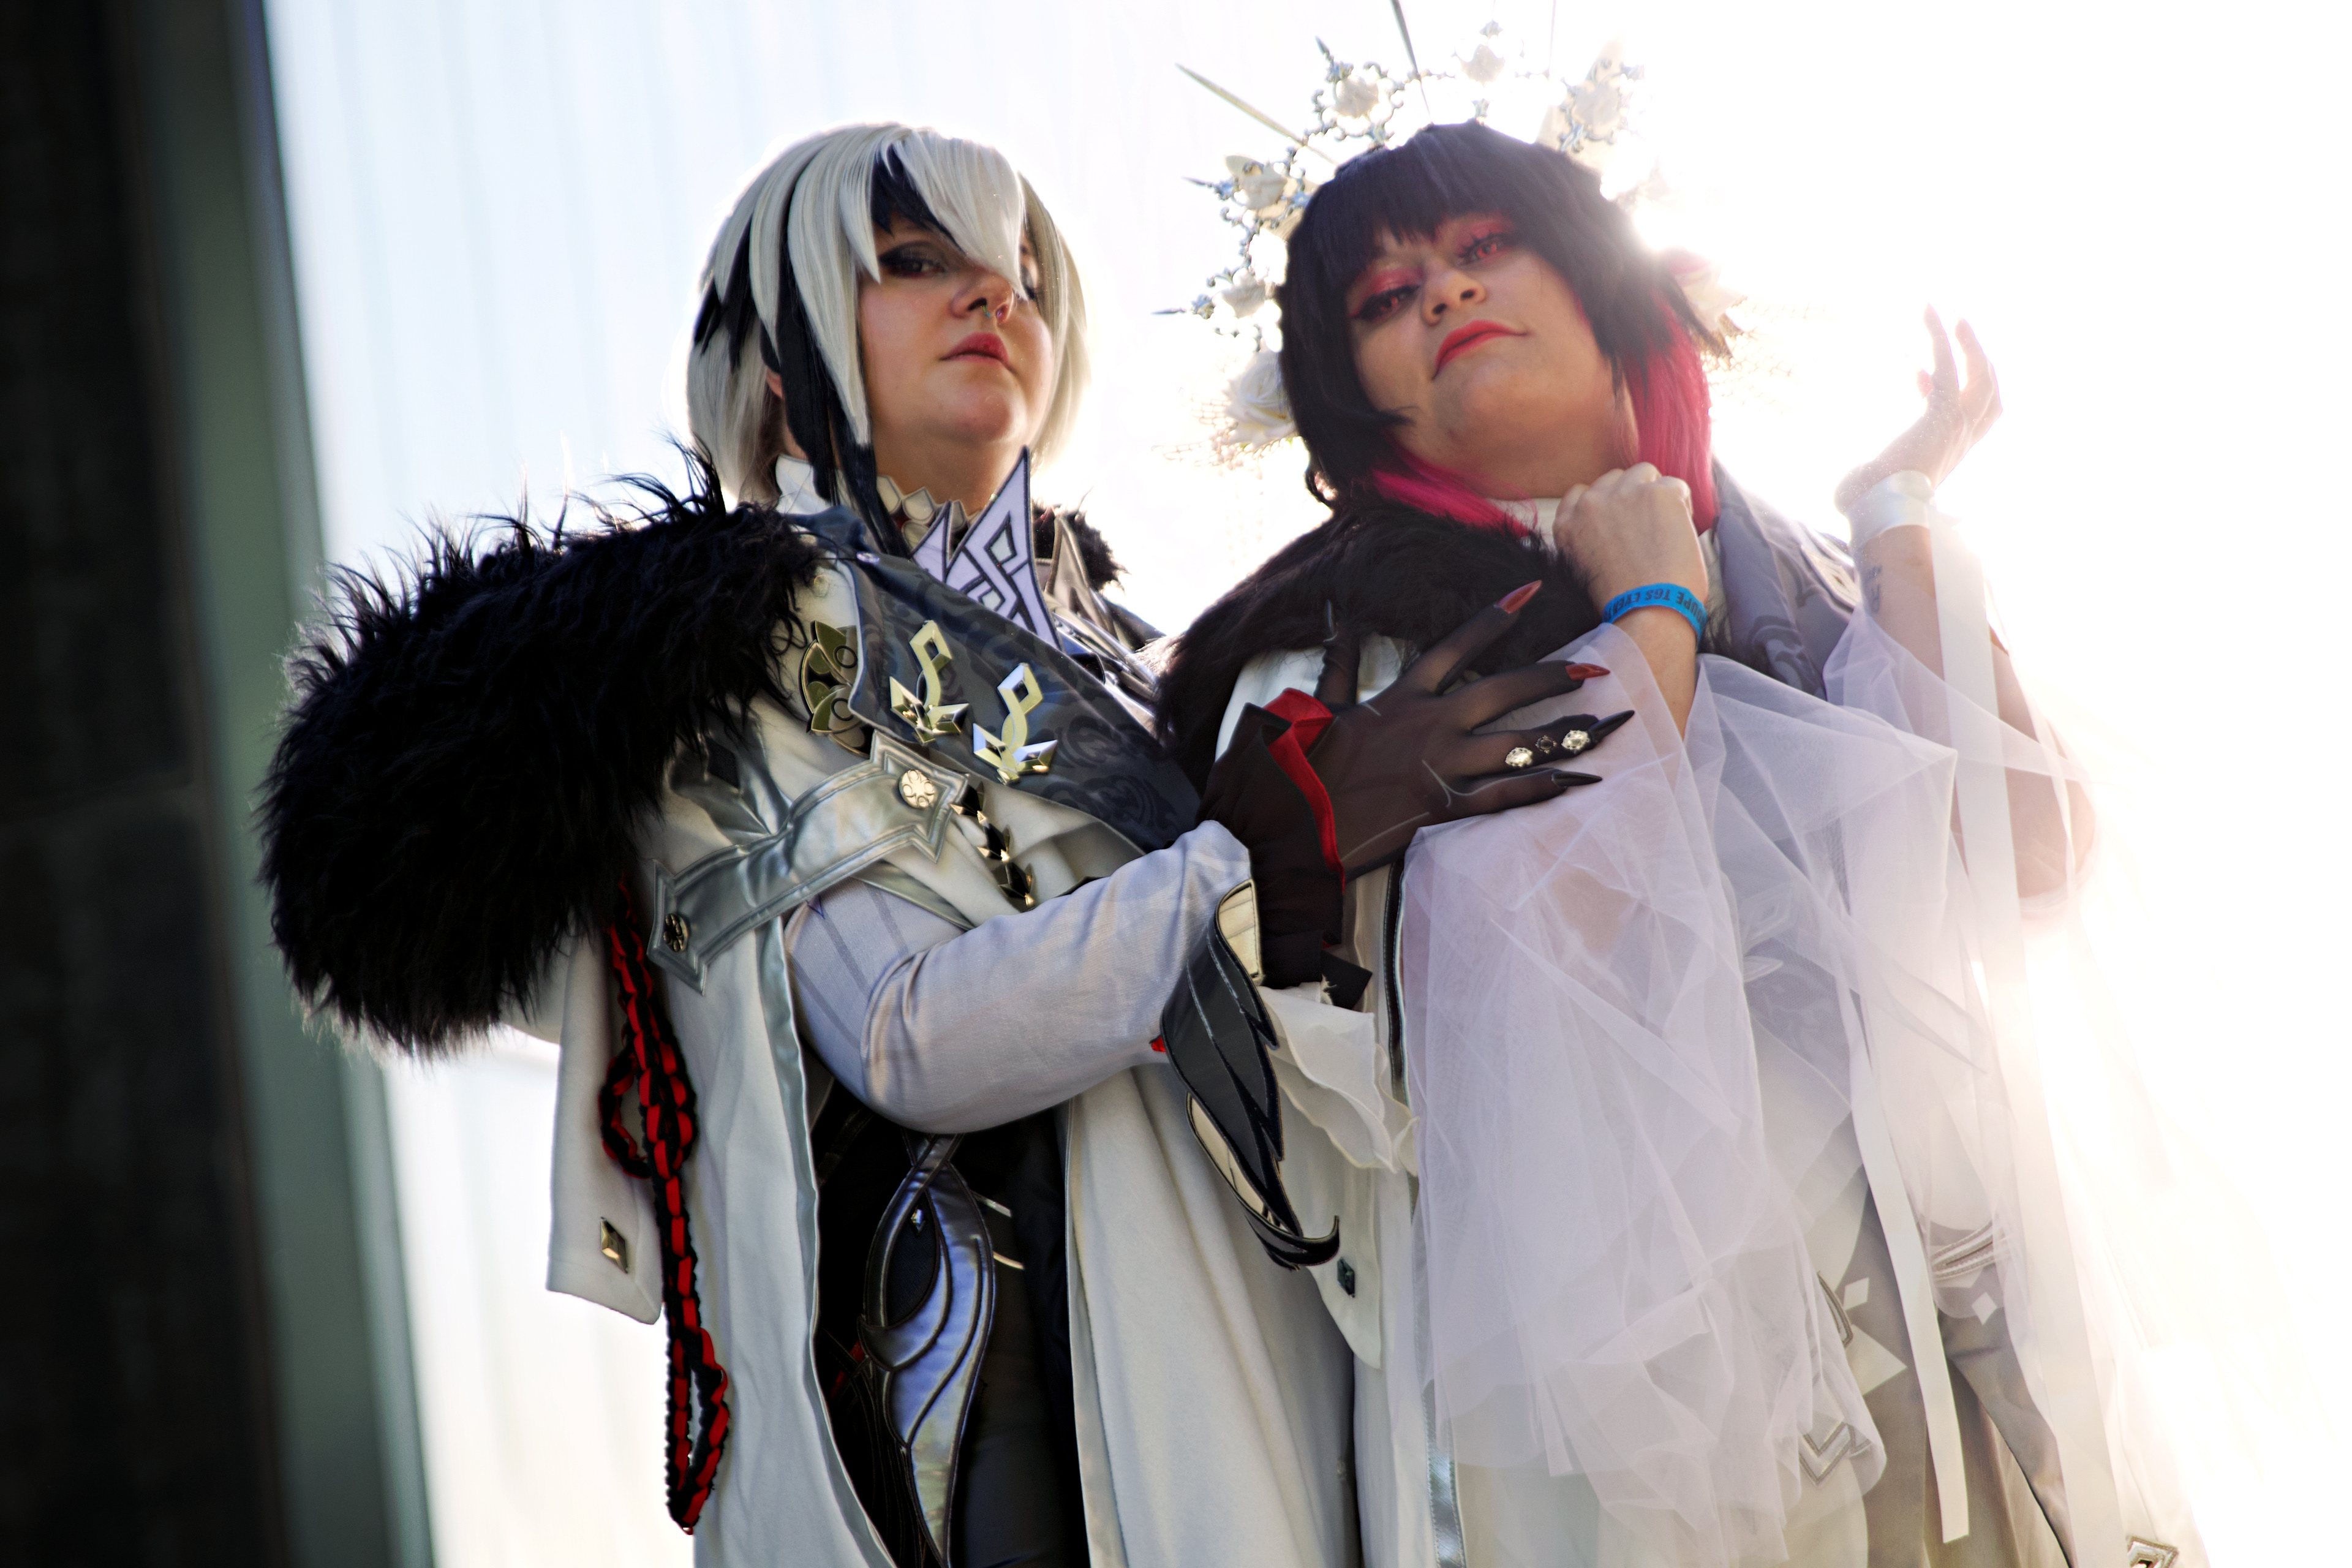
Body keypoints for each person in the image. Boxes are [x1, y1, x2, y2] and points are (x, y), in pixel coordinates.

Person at [258, 121, 1611, 1567]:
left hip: (1275, 1326)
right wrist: (1251, 860)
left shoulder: (1158, 664)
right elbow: (909, 1034)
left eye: (1020, 271)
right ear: (775, 368)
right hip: (1016, 1401)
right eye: (912, 261)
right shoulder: (719, 656)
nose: (992, 296)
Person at [1156, 121, 2198, 1567]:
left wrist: (1894, 520)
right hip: (1628, 1406)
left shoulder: (1795, 574)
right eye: (1385, 297)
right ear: (1350, 398)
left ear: (1603, 282)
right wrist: (1649, 620)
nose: (1446, 292)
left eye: (1484, 246)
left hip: (1943, 1322)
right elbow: (1475, 1015)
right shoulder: (1329, 657)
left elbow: (2024, 851)